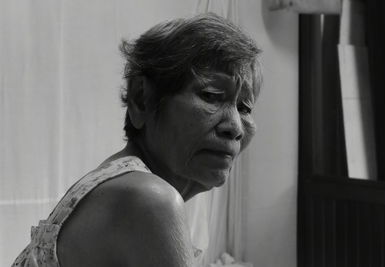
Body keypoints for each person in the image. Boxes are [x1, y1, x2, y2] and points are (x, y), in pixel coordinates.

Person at [12, 12, 262, 267]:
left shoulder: (121, 182)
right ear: (142, 98)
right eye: (211, 95)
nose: (235, 127)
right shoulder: (149, 197)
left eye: (245, 107)